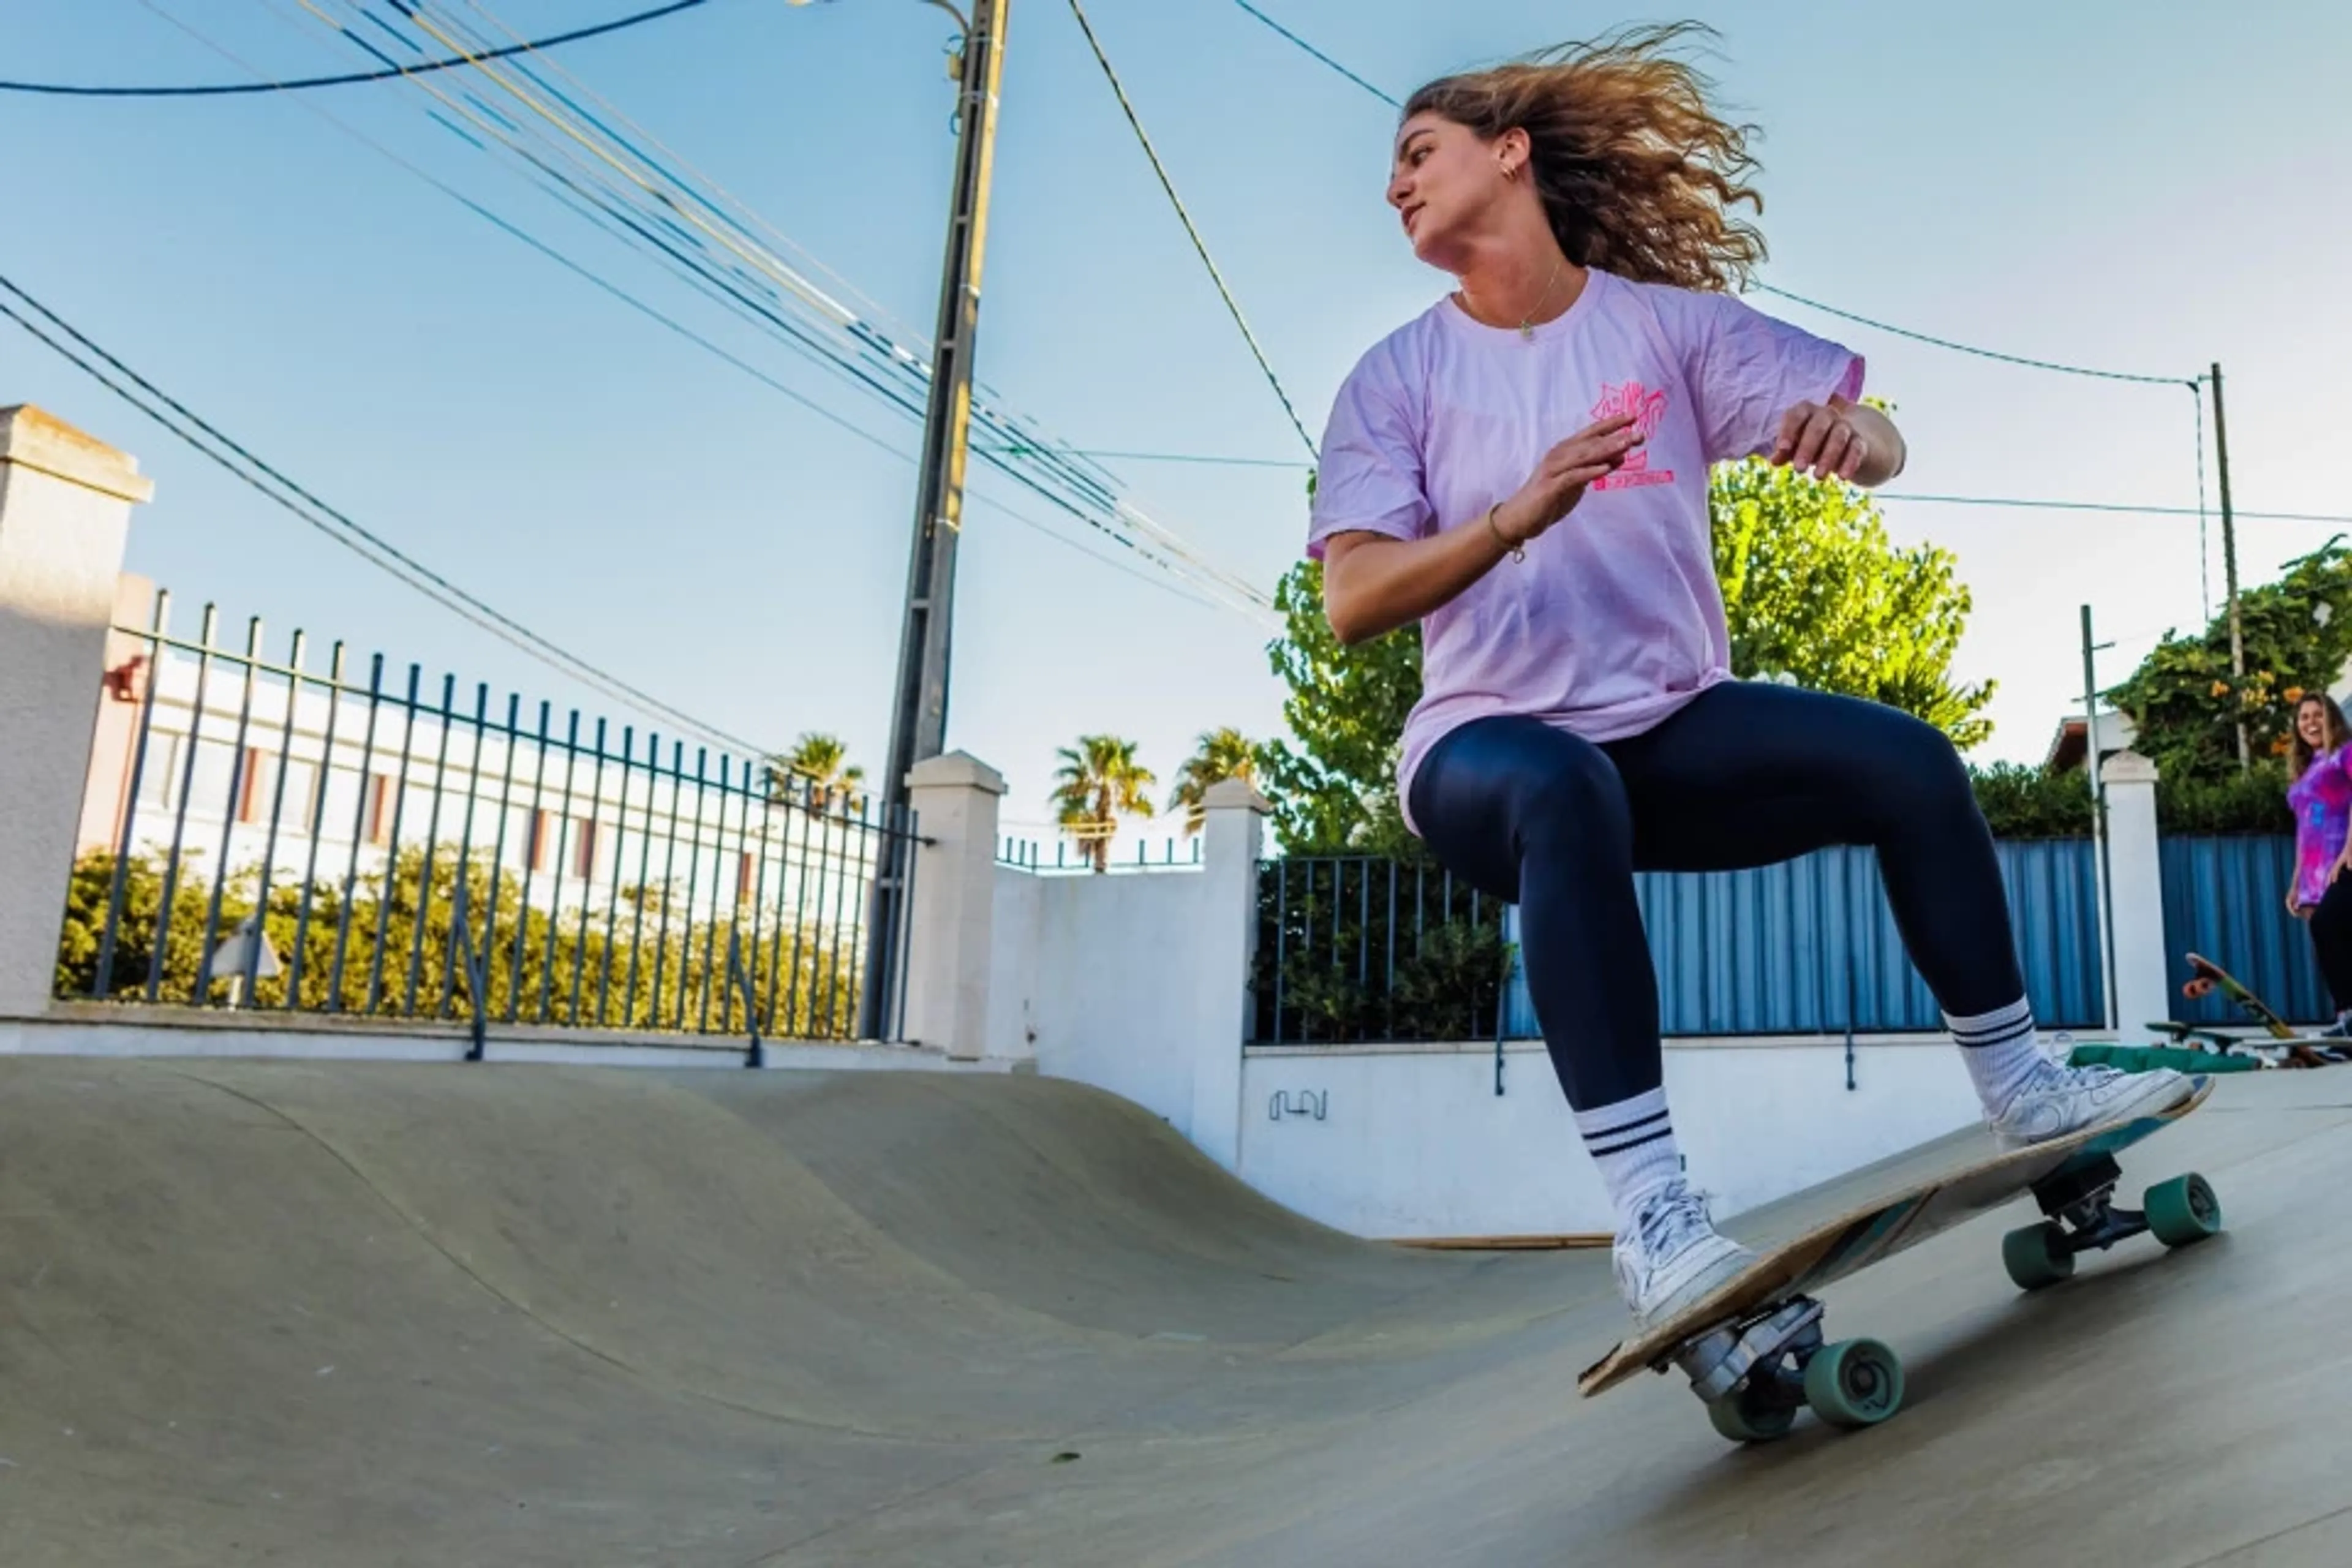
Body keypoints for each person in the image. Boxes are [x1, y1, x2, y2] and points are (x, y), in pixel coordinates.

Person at [1303, 24, 2193, 1330]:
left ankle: (2024, 1084)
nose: (1394, 183)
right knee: (1564, 791)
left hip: (1666, 731)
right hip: (1485, 750)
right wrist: (1511, 514)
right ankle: (1658, 1218)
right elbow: (1350, 599)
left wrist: (1861, 442)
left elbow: (1877, 427)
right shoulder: (1396, 377)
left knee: (1909, 763)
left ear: (1510, 154)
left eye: (1415, 152)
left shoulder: (1666, 330)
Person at [2285, 692, 2352, 1035]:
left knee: (2328, 926)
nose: (2310, 723)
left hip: (2345, 863)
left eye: (2317, 715)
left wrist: (2349, 850)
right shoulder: (2307, 767)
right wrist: (2297, 881)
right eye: (2303, 717)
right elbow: (2305, 827)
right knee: (2331, 941)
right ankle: (2344, 1020)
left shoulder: (2345, 754)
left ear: (2332, 718)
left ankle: (2349, 1017)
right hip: (2315, 873)